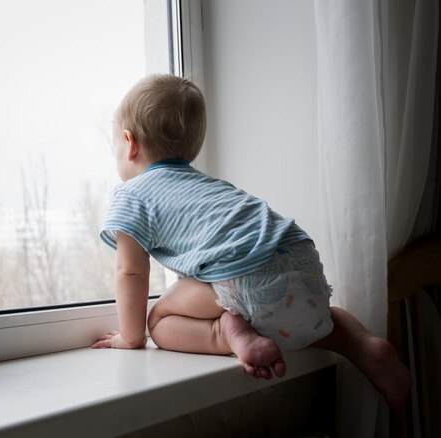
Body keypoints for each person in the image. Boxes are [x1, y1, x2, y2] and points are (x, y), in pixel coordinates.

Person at [91, 74, 412, 411]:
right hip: (302, 262)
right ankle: (363, 345)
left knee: (159, 320)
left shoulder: (132, 194)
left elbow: (130, 272)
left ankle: (229, 333)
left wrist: (131, 337)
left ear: (129, 143)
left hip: (247, 280)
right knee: (322, 318)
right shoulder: (209, 185)